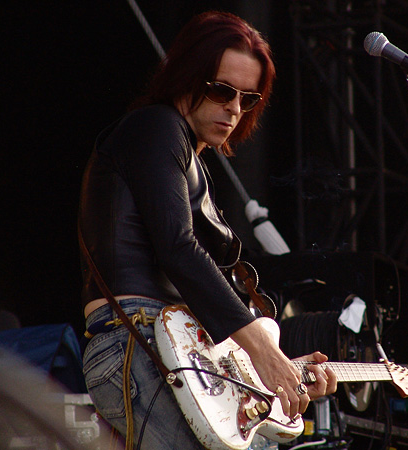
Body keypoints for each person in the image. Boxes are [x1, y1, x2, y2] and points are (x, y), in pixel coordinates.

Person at [79, 10, 337, 450]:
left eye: (249, 99)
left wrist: (278, 370)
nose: (234, 109)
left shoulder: (190, 159)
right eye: (222, 90)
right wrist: (262, 350)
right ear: (186, 76)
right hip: (136, 342)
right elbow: (177, 248)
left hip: (172, 348)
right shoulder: (157, 126)